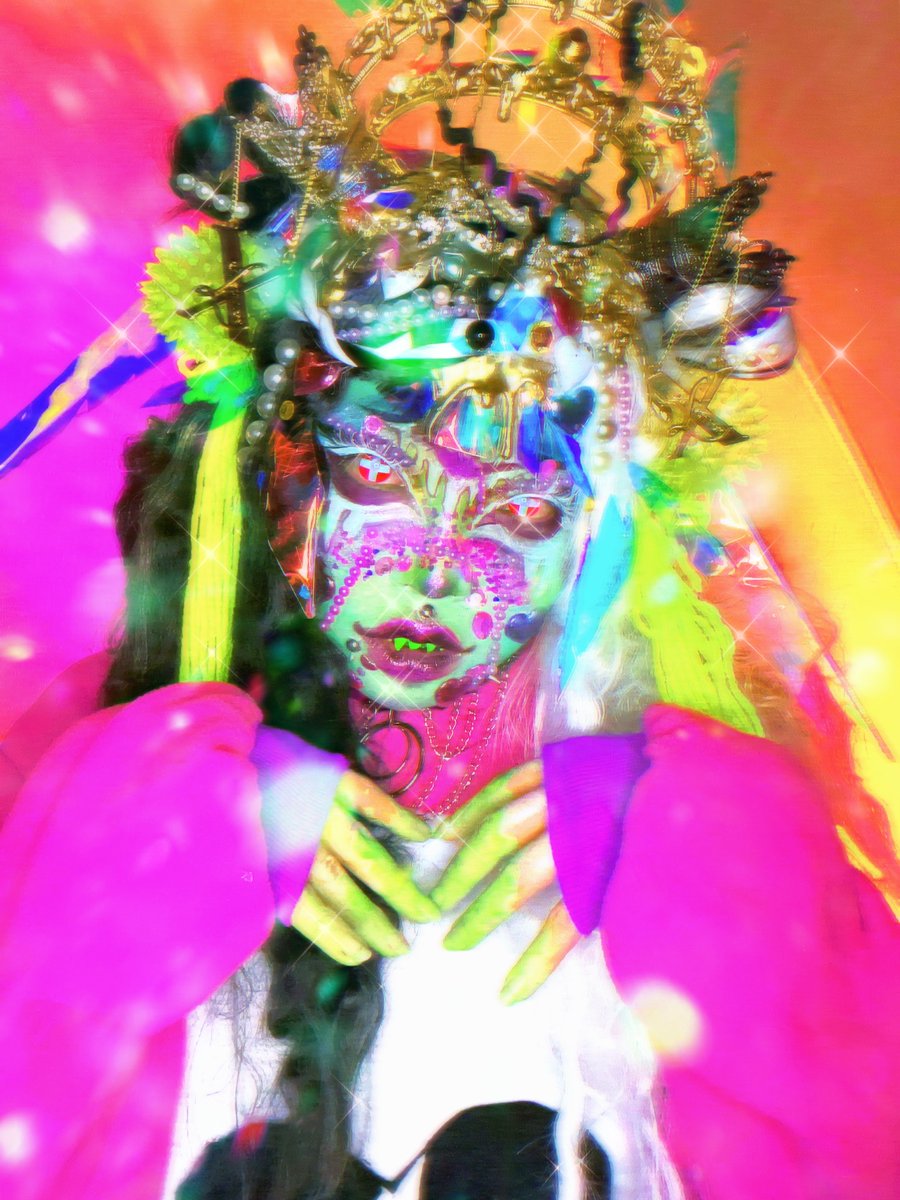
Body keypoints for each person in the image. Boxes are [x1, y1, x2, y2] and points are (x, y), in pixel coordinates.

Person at [2, 5, 899, 1199]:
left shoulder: (678, 844)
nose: (435, 571)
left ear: (592, 537)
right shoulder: (108, 796)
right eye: (379, 475)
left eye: (520, 510)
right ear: (281, 465)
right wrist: (134, 853)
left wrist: (720, 865)